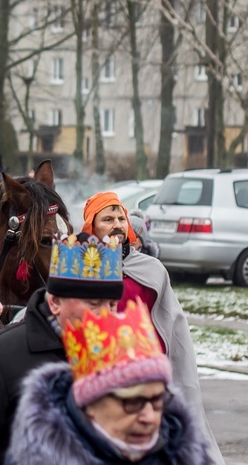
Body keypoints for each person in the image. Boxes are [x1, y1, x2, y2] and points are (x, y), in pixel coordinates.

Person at [82, 191, 223, 463]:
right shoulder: (77, 269)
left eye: (120, 217)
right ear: (91, 227)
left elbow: (173, 325)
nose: (117, 224)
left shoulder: (151, 269)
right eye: (107, 218)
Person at [0, 232, 123, 464]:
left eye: (113, 305)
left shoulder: (122, 359)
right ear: (55, 302)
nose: (106, 315)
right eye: (94, 304)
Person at [6, 299, 212, 464]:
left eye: (158, 400)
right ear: (89, 406)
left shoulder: (188, 454)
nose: (150, 417)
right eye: (132, 402)